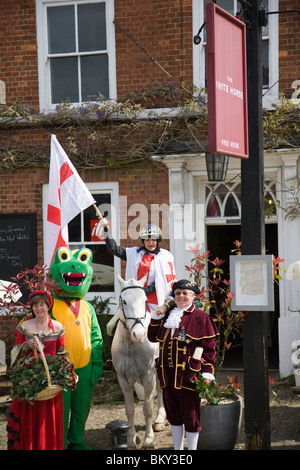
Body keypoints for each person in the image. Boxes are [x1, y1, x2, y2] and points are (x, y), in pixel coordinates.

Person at [148, 279, 219, 450]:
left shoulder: (201, 318)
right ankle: (178, 450)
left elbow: (209, 350)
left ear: (193, 296)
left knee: (191, 416)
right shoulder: (166, 315)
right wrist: (157, 315)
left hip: (189, 376)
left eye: (185, 293)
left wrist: (207, 372)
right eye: (178, 293)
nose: (181, 296)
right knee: (173, 415)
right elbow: (151, 337)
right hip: (167, 376)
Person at [96, 219, 176, 337]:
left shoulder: (165, 257)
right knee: (110, 326)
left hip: (157, 302)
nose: (150, 243)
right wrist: (106, 230)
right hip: (135, 303)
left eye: (153, 240)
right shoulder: (134, 254)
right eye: (147, 240)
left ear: (158, 241)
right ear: (143, 241)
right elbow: (113, 249)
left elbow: (163, 281)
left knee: (170, 329)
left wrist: (142, 292)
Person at [7, 290, 66, 450]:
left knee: (48, 419)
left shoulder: (59, 327)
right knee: (29, 418)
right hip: (29, 380)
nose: (39, 308)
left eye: (42, 305)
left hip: (50, 381)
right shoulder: (24, 327)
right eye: (35, 306)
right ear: (32, 308)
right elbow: (14, 353)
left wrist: (65, 373)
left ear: (48, 306)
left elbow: (62, 353)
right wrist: (27, 345)